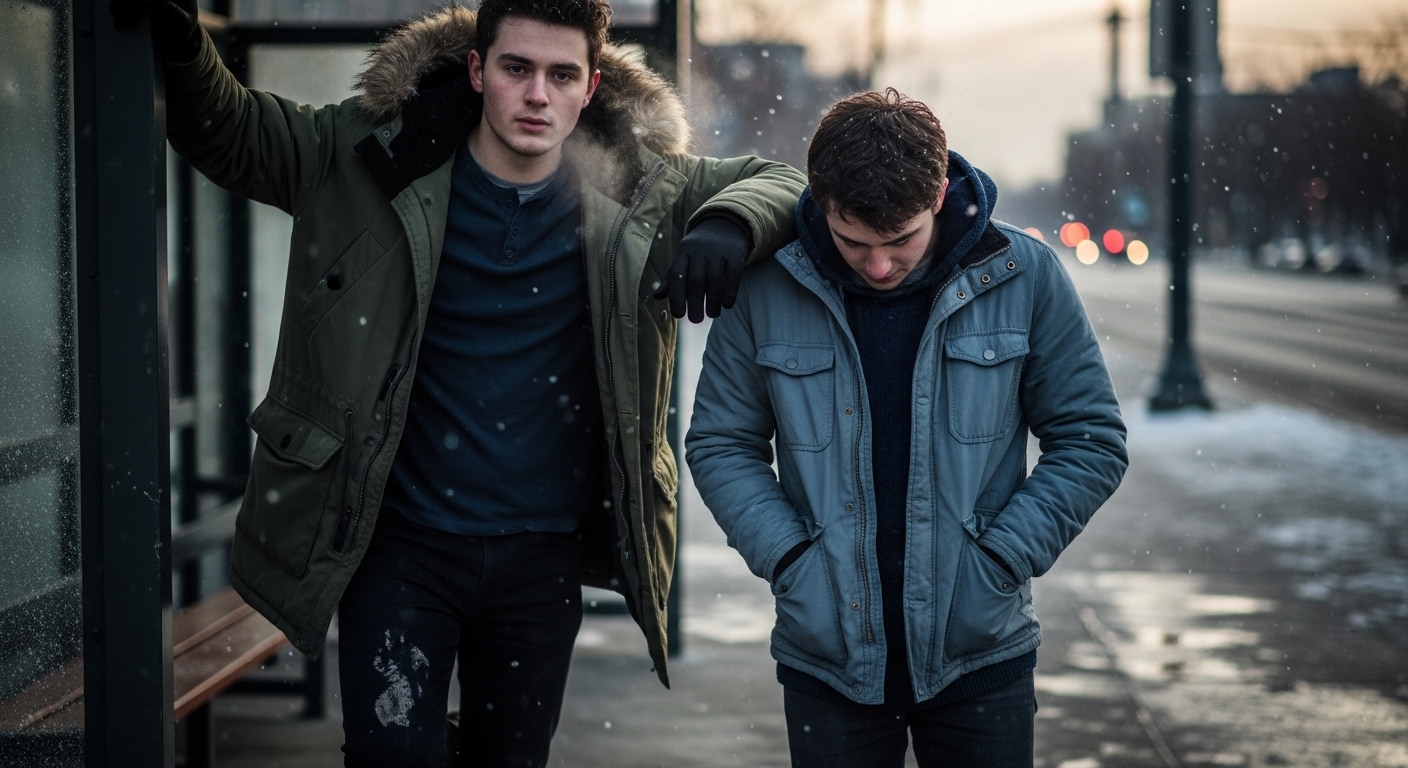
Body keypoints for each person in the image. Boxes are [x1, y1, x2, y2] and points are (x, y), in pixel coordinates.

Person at [111, 0, 806, 764]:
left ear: (591, 86)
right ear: (477, 70)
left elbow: (783, 182)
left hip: (539, 561)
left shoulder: (643, 188)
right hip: (402, 549)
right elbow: (232, 132)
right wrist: (179, 40)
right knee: (389, 757)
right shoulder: (370, 155)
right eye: (517, 69)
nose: (537, 95)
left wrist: (728, 221)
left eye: (561, 75)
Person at [686, 89, 1128, 767]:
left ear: (941, 196)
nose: (880, 265)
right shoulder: (768, 286)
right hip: (827, 662)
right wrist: (790, 562)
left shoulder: (1025, 277)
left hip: (981, 655)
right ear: (821, 201)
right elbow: (721, 442)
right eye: (854, 242)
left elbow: (1091, 440)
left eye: (901, 241)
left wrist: (1002, 559)